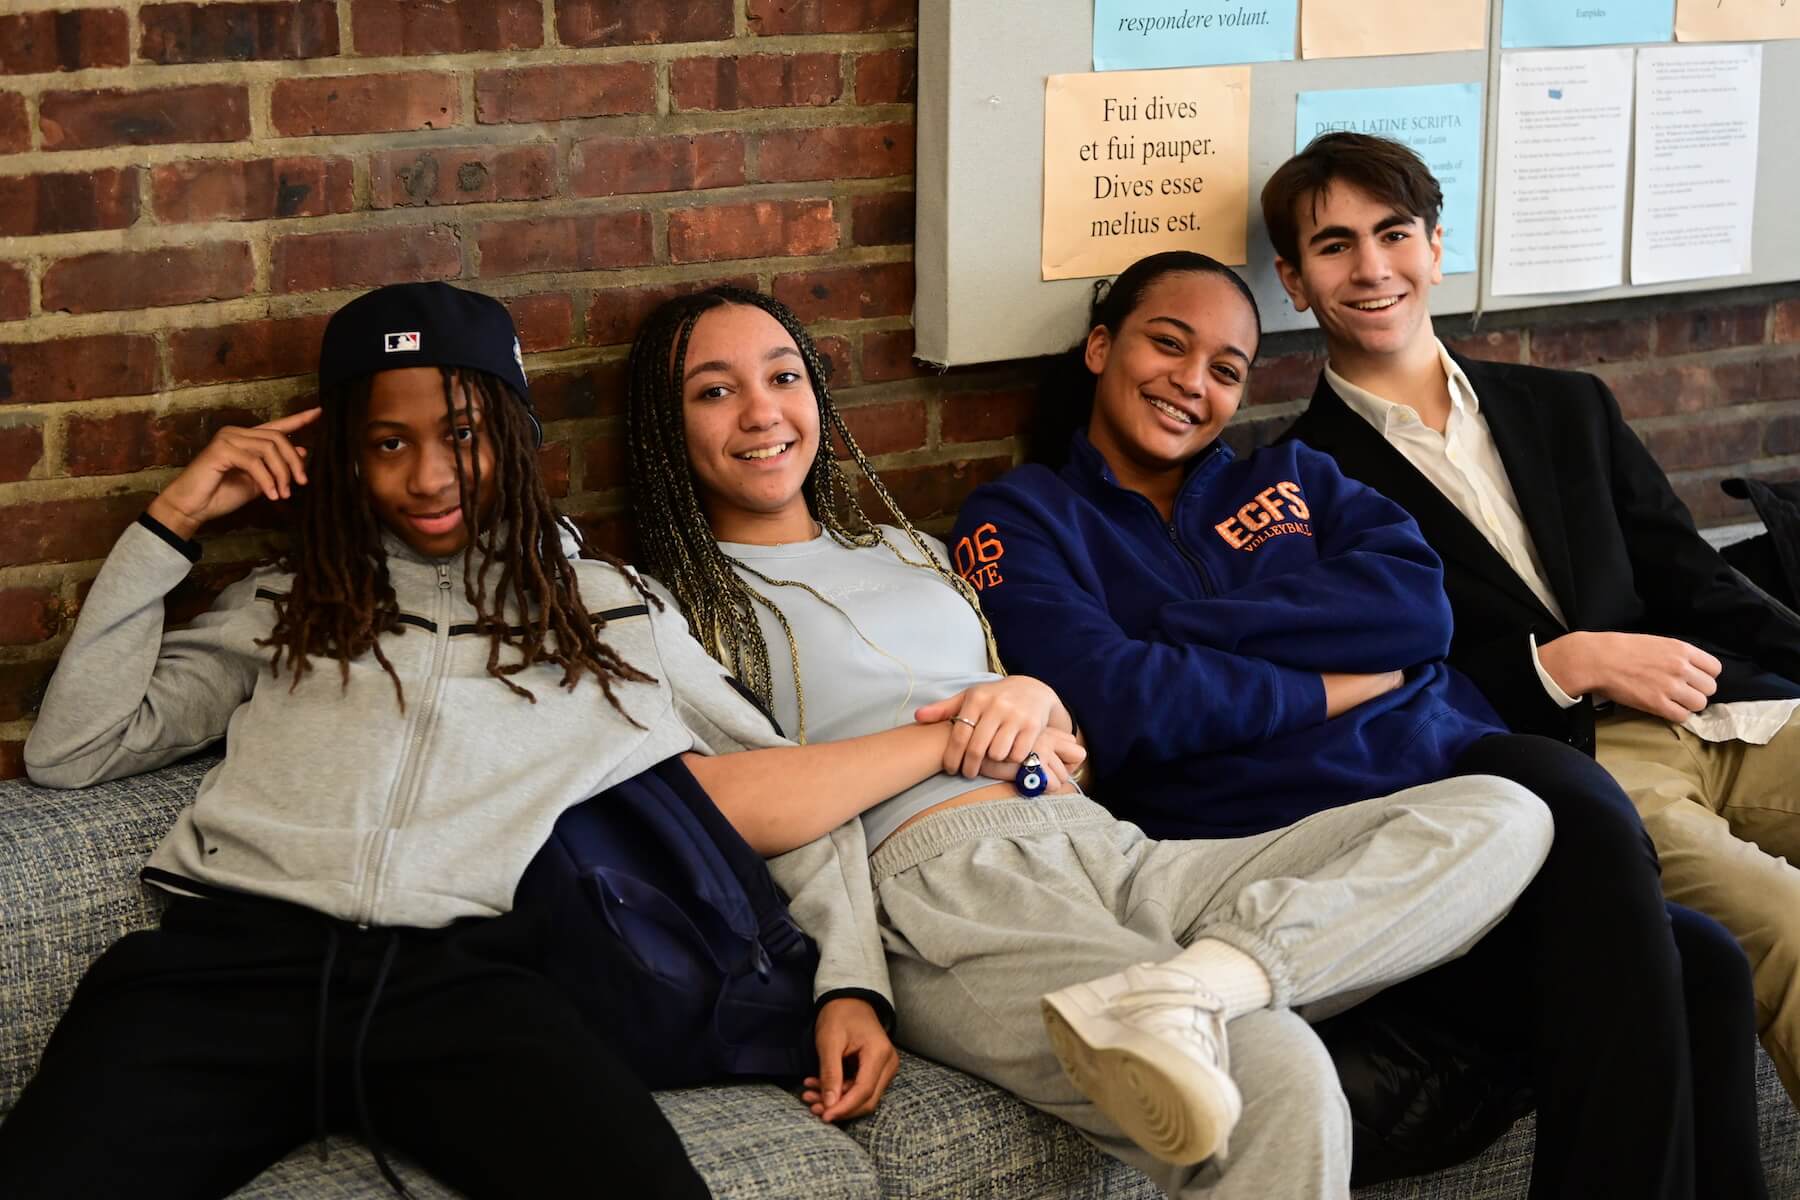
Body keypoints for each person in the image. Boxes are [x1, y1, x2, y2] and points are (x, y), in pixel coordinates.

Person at [625, 283, 1561, 1200]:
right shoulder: (658, 605)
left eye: (783, 377)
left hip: (1104, 844)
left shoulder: (908, 551)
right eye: (715, 391)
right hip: (945, 893)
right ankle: (1201, 999)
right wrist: (854, 979)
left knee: (1506, 813)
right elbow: (739, 806)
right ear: (668, 427)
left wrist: (1038, 698)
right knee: (1273, 1072)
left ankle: (1197, 987)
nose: (762, 411)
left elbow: (1061, 728)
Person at [0, 283, 906, 1199]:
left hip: (466, 988)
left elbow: (784, 783)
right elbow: (74, 750)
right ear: (349, 457)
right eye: (390, 443)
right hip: (228, 974)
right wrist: (175, 522)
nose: (429, 477)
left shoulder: (605, 611)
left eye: (463, 436)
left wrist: (851, 986)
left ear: (514, 436)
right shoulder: (287, 603)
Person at [949, 251, 1766, 1199]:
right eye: (1167, 344)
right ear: (1100, 346)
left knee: (1698, 955)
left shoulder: (1300, 476)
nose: (1191, 384)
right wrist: (1328, 681)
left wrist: (1178, 633)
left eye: (1225, 368)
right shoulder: (1021, 517)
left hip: (1446, 773)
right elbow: (1118, 699)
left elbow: (1419, 614)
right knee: (1632, 884)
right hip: (1283, 830)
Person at [1270, 131, 1800, 1110]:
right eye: (1334, 246)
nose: (1373, 268)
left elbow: (1693, 580)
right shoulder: (1297, 484)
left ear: (1436, 244)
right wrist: (1562, 662)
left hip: (1724, 708)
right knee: (1784, 921)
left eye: (1393, 234)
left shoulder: (1567, 405)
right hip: (1580, 763)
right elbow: (1388, 693)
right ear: (1294, 282)